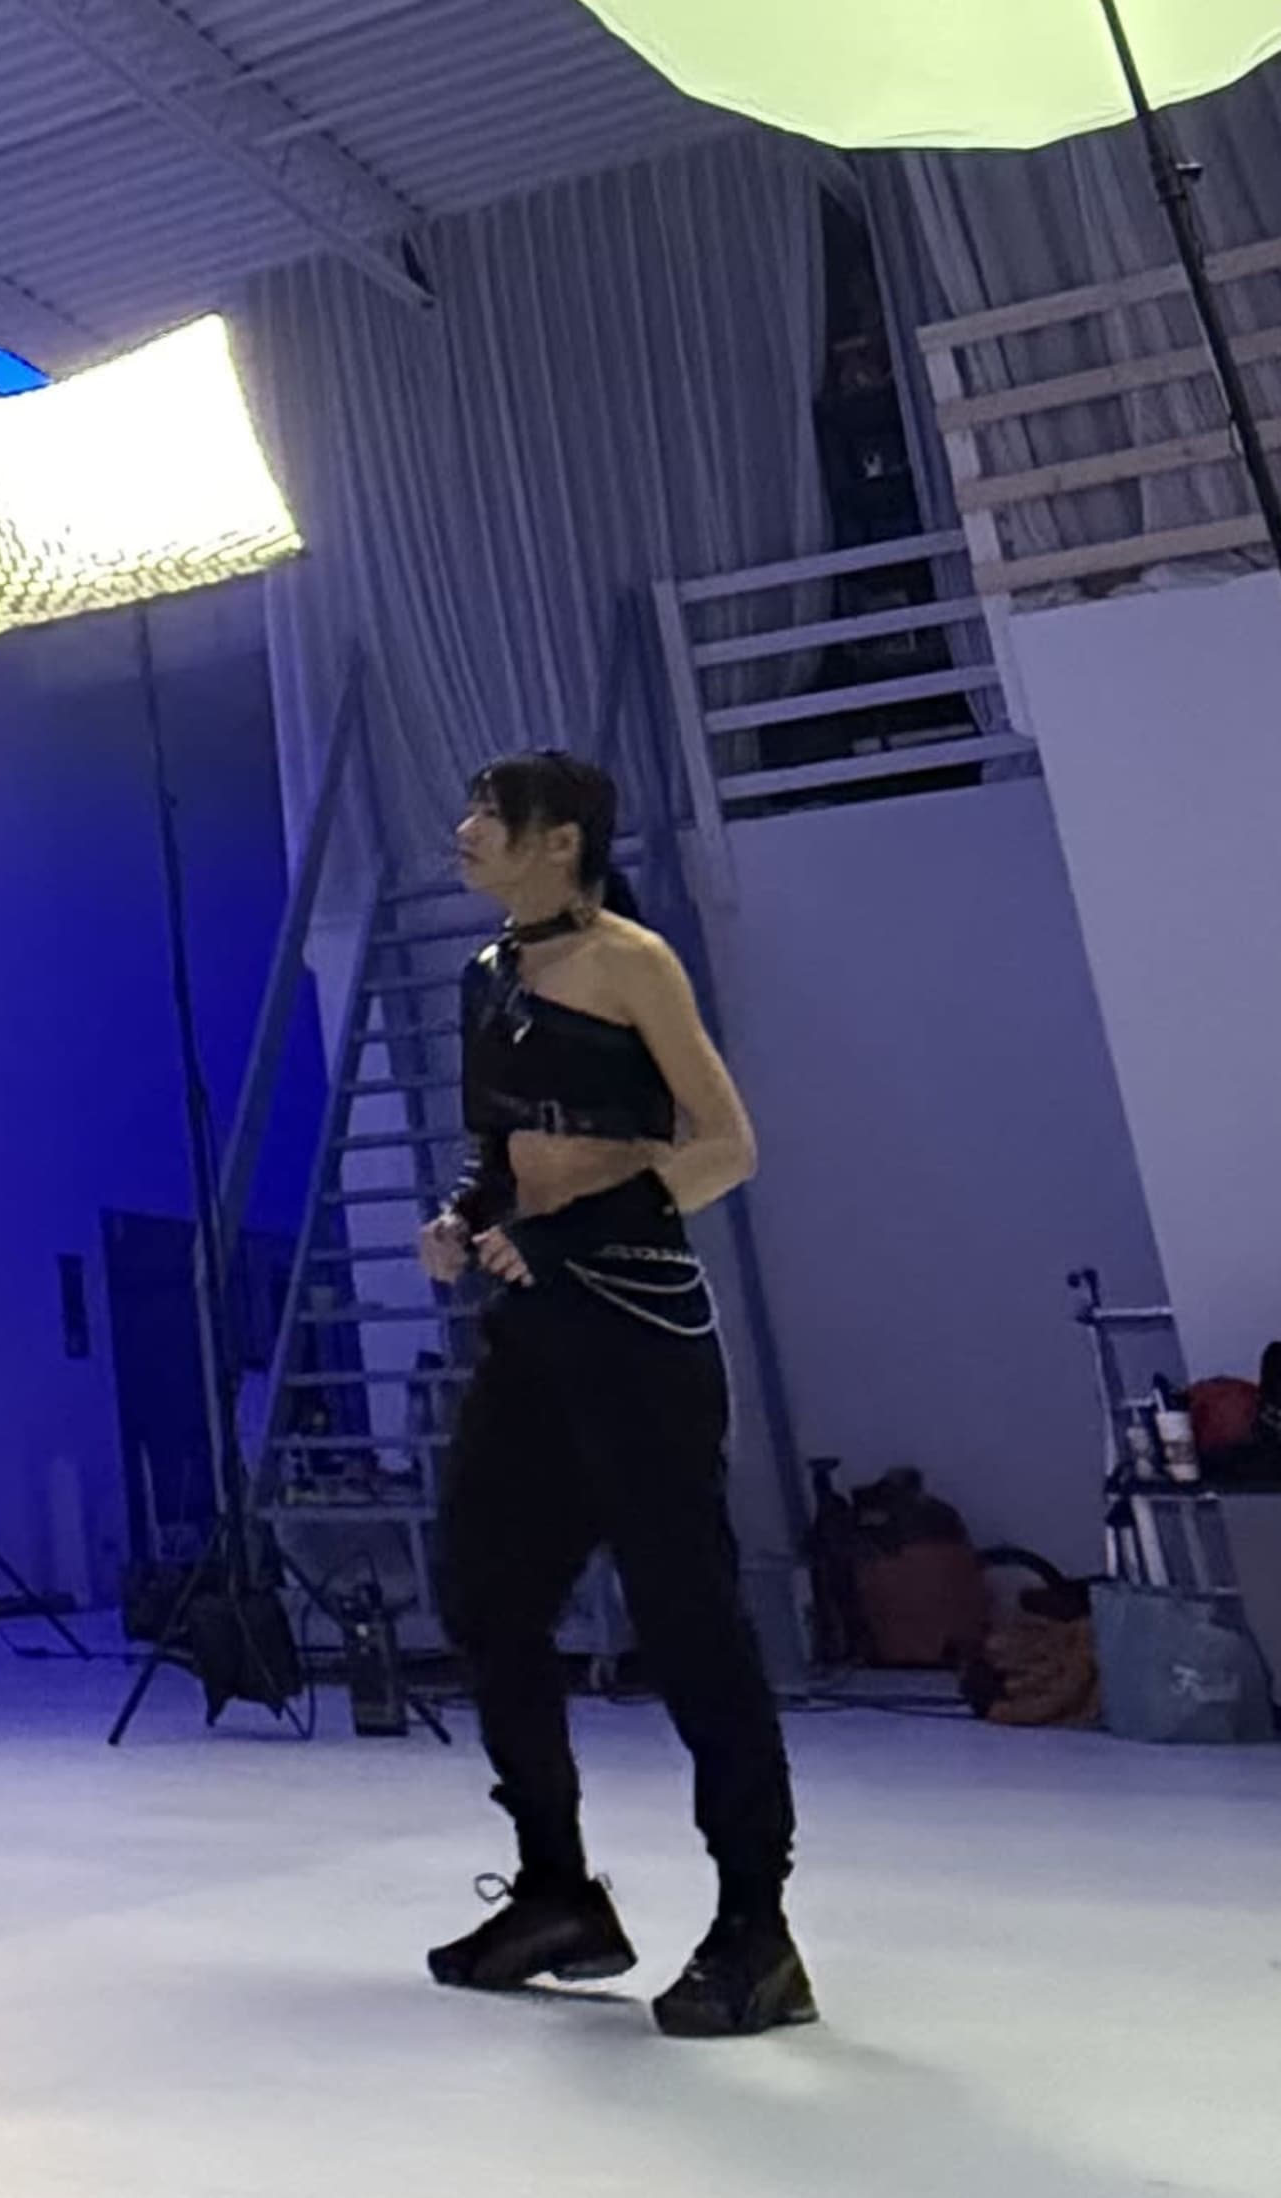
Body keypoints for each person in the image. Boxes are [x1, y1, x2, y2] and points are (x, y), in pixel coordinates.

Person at [416, 749, 807, 2039]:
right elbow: (509, 1149)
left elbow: (725, 1146)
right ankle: (557, 1887)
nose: (465, 830)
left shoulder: (634, 961)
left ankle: (757, 1923)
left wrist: (573, 1239)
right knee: (484, 1591)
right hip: (532, 1331)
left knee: (687, 1617)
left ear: (561, 838)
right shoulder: (490, 974)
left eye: (490, 813)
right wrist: (465, 1213)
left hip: (637, 1326)